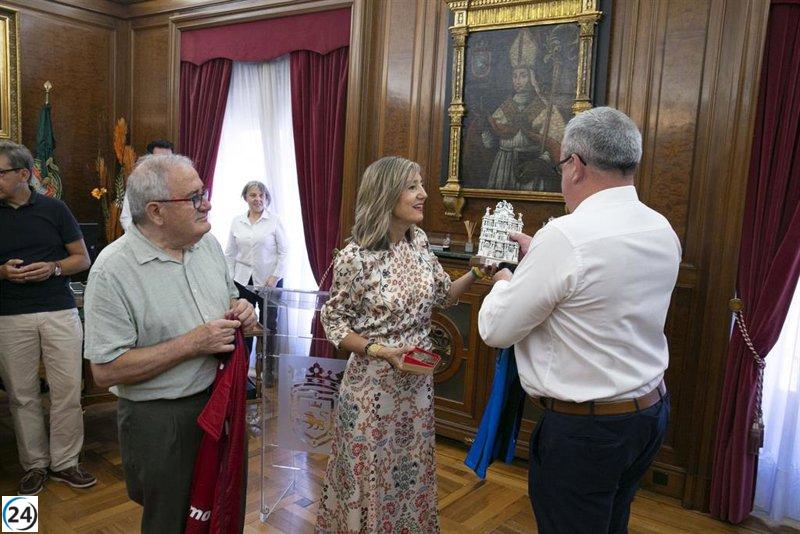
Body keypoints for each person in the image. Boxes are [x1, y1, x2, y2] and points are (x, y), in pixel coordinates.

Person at [478, 107, 681, 533]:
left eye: (560, 164)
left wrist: (505, 279)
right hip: (646, 413)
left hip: (587, 431)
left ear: (576, 165)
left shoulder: (566, 237)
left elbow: (496, 330)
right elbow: (600, 290)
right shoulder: (660, 228)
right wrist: (543, 260)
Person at [315, 156, 495, 533]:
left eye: (420, 185)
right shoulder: (356, 257)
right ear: (386, 194)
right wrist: (379, 351)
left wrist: (478, 272)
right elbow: (332, 320)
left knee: (407, 474)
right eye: (413, 186)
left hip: (415, 389)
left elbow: (444, 295)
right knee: (371, 475)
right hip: (372, 391)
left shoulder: (418, 242)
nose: (424, 194)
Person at [83, 154, 255, 533]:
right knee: (172, 521)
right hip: (163, 420)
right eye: (194, 197)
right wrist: (192, 344)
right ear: (156, 212)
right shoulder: (112, 271)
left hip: (222, 402)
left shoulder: (206, 245)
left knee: (223, 504)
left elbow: (227, 301)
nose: (207, 203)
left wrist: (242, 311)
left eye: (204, 192)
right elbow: (104, 371)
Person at [0, 140, 96, 496]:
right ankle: (35, 465)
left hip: (58, 310)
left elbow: (81, 259)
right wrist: (2, 272)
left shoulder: (55, 210)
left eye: (1, 173)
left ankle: (66, 462)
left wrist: (54, 268)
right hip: (10, 315)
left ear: (23, 174)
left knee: (67, 391)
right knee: (22, 395)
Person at [481, 28, 566, 192]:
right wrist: (486, 128)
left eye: (523, 75)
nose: (518, 81)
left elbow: (558, 144)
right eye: (515, 76)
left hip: (530, 169)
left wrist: (541, 162)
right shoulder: (504, 108)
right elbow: (489, 144)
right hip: (502, 168)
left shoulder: (546, 110)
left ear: (532, 77)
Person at [224, 180, 287, 356]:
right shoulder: (237, 222)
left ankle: (268, 370)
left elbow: (284, 253)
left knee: (269, 327)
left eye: (262, 195)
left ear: (266, 198)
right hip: (243, 281)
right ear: (246, 198)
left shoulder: (274, 221)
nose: (258, 199)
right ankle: (242, 369)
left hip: (270, 282)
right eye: (253, 195)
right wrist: (230, 280)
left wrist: (275, 277)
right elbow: (229, 254)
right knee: (245, 326)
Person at [119, 139, 174, 232]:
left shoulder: (181, 182)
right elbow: (126, 217)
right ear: (149, 159)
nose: (164, 163)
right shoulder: (137, 182)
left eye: (169, 159)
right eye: (159, 159)